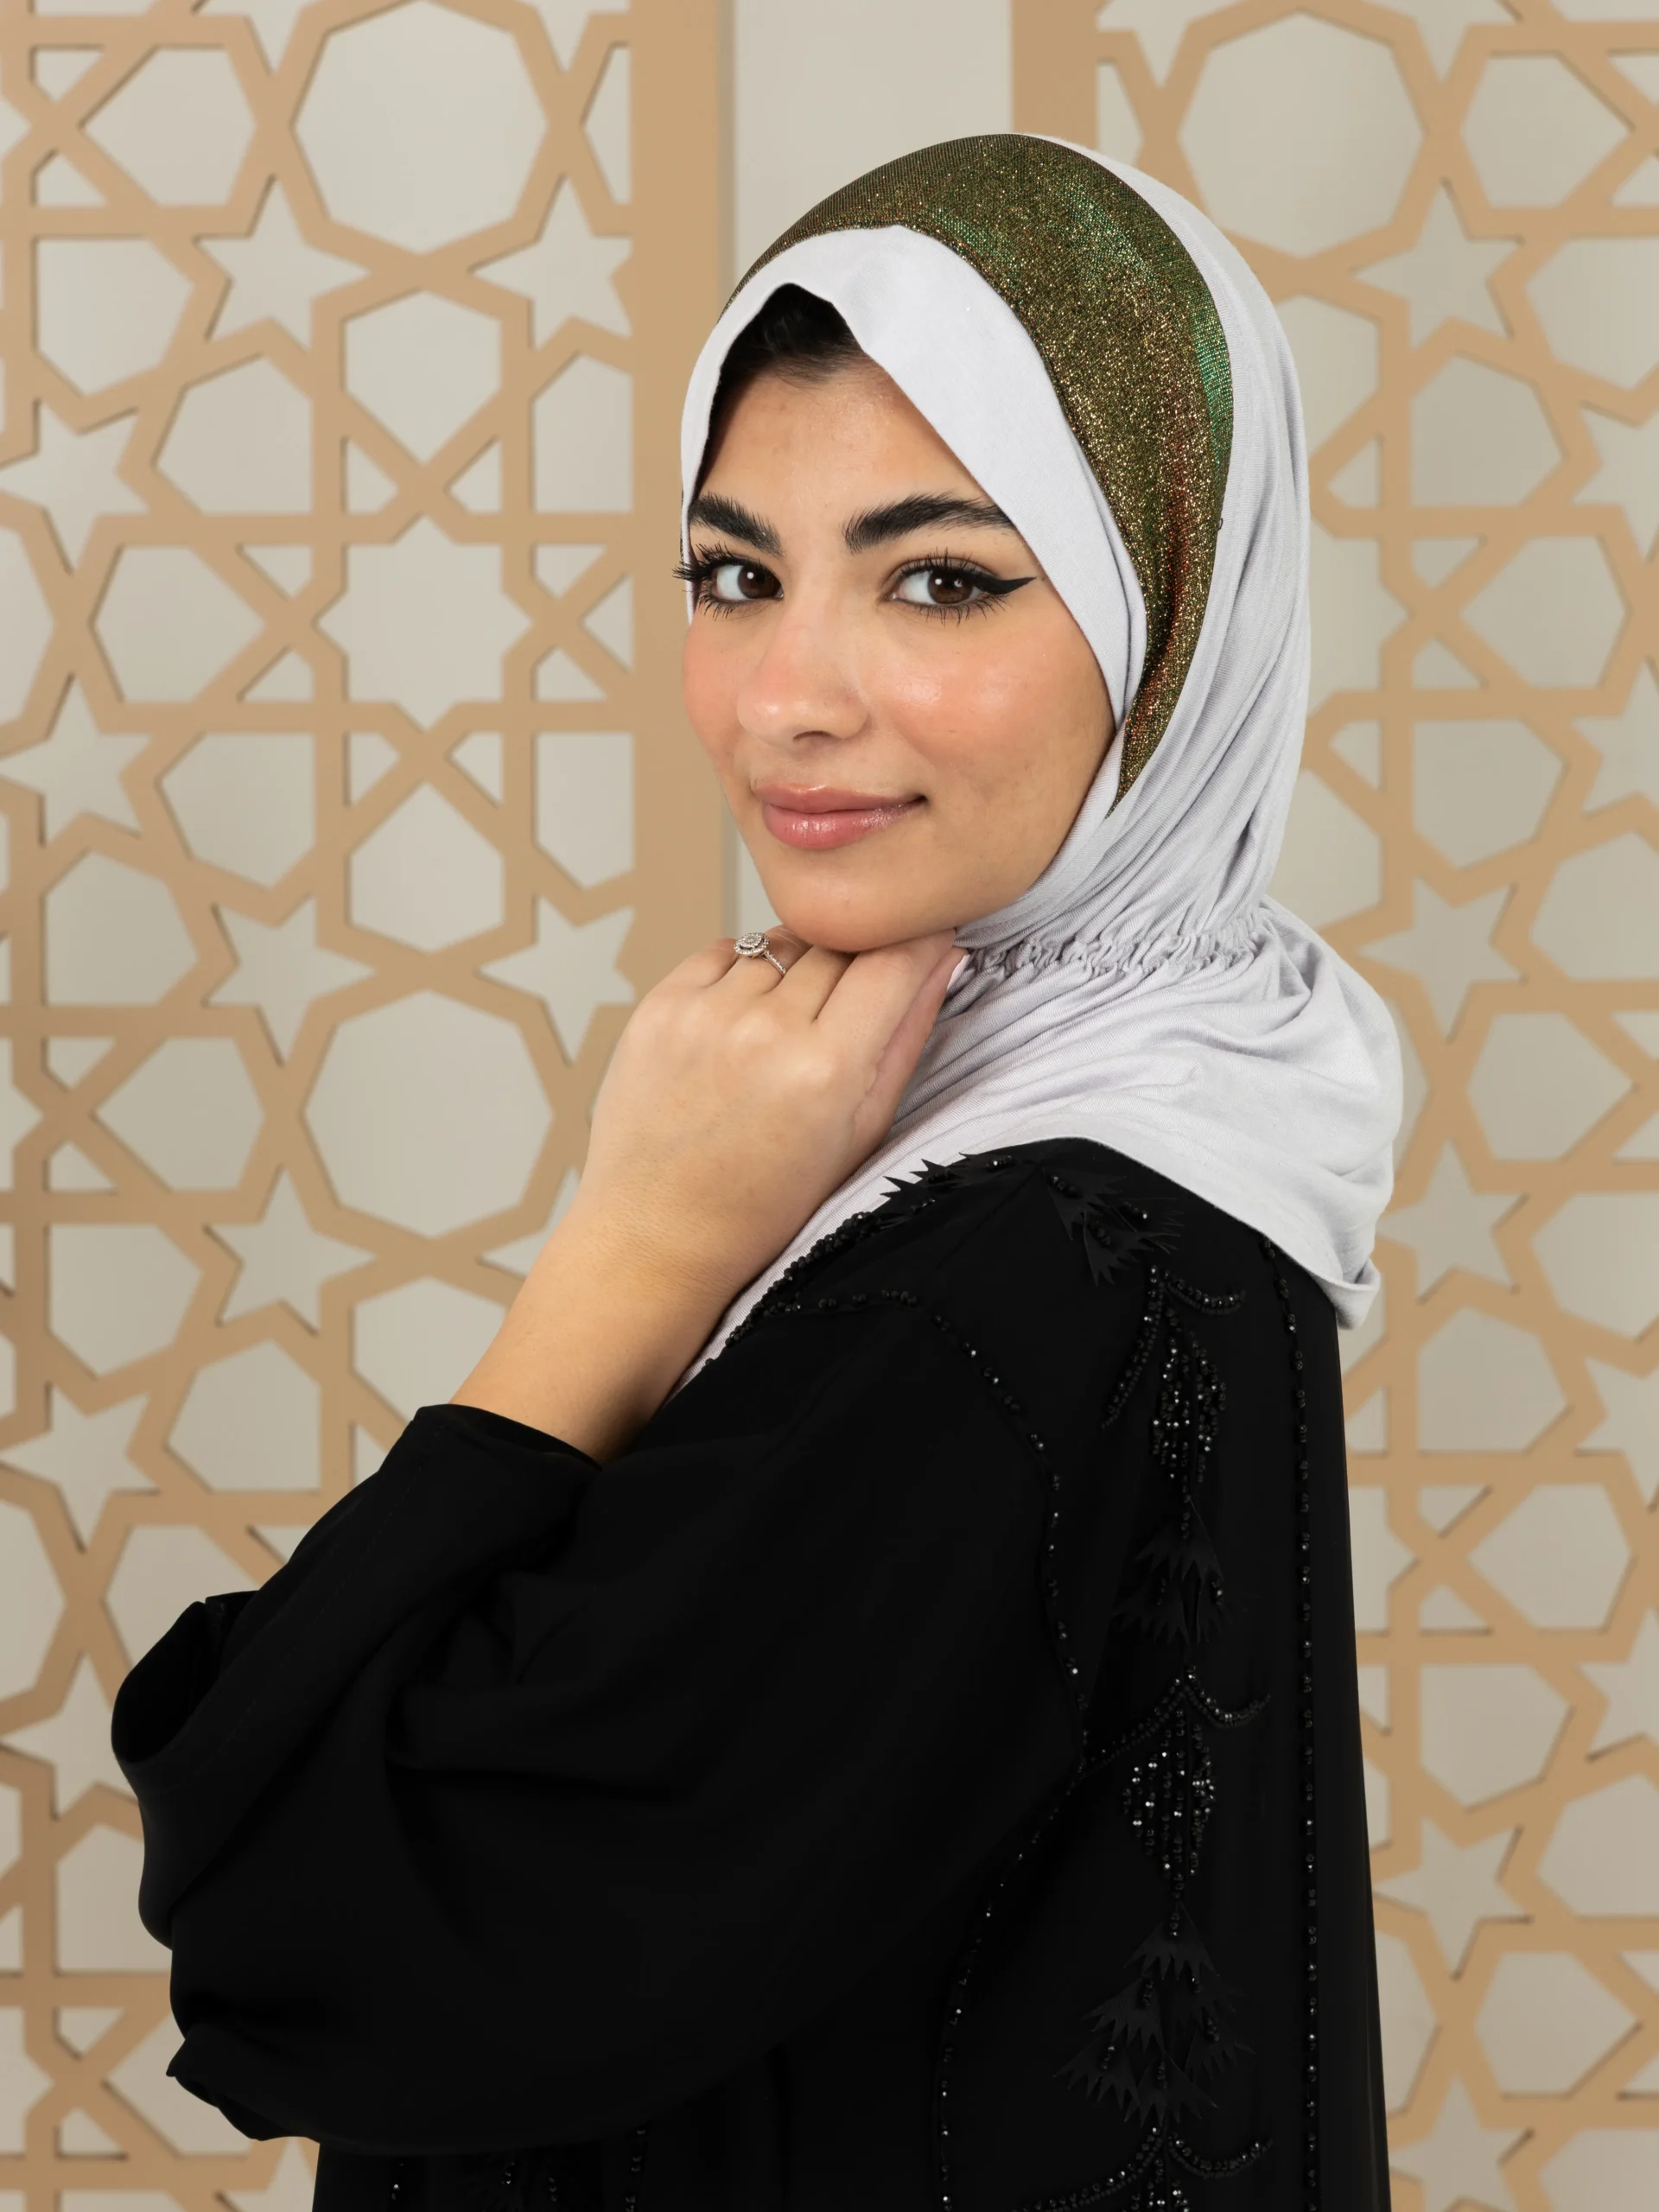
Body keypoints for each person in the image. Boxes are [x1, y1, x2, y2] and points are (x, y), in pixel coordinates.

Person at [114, 136, 1400, 2212]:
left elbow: (301, 1925)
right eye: (735, 574)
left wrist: (634, 1249)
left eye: (941, 577)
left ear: (1172, 627)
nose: (790, 698)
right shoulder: (1200, 1114)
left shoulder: (1028, 1274)